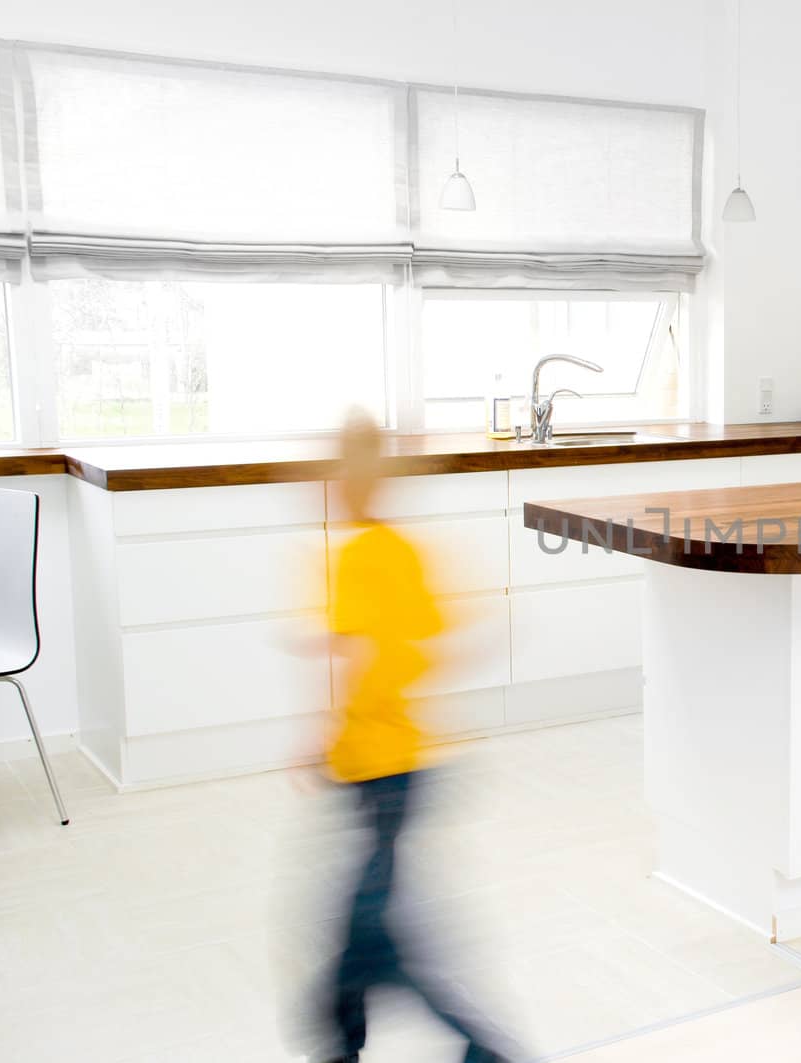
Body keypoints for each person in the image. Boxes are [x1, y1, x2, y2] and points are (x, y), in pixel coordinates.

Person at [318, 410, 517, 1063]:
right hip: (415, 754)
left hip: (378, 763)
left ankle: (481, 1046)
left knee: (378, 928)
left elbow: (354, 655)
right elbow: (437, 640)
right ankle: (340, 1031)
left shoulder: (355, 557)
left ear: (350, 482)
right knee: (366, 915)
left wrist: (328, 732)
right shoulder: (403, 549)